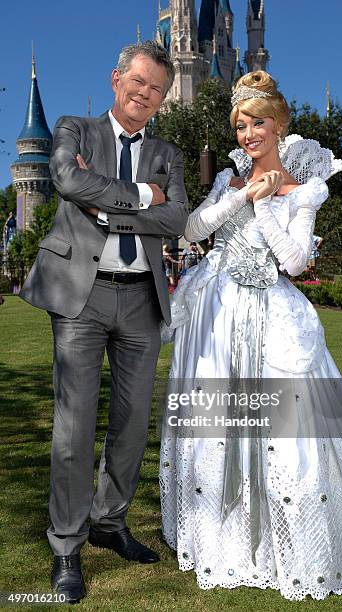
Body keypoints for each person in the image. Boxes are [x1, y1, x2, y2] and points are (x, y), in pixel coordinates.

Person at [159, 71, 342, 600]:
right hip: (217, 315)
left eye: (258, 123)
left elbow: (294, 262)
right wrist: (243, 193)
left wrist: (267, 205)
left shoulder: (304, 190)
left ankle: (292, 543)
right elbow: (192, 231)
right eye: (242, 125)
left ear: (279, 126)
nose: (248, 134)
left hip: (273, 313)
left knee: (290, 431)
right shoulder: (229, 179)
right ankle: (219, 539)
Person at [20, 41, 188, 603]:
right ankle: (66, 543)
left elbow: (177, 217)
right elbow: (68, 181)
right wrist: (141, 195)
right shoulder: (74, 128)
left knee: (133, 423)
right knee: (74, 425)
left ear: (163, 99)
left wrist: (107, 203)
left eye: (157, 89)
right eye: (138, 82)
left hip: (143, 300)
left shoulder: (167, 151)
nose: (145, 94)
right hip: (82, 298)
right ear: (117, 79)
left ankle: (109, 522)